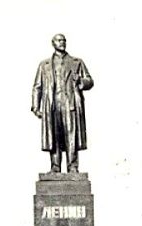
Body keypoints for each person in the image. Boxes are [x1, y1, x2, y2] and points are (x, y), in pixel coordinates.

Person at [31, 33, 94, 174]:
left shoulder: (77, 62)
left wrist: (81, 81)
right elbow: (37, 86)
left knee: (71, 135)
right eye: (59, 40)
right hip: (52, 105)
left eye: (64, 40)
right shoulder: (44, 65)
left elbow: (89, 81)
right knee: (54, 136)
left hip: (70, 104)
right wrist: (36, 107)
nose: (62, 42)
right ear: (53, 43)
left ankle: (72, 167)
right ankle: (55, 167)